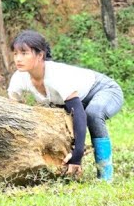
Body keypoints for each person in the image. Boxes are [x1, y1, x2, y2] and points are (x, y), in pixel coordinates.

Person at [7, 30, 124, 181]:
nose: (18, 58)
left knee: (93, 114)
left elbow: (79, 114)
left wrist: (77, 156)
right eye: (15, 53)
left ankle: (105, 175)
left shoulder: (55, 75)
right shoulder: (18, 79)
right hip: (77, 101)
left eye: (24, 53)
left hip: (105, 90)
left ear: (40, 55)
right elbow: (13, 112)